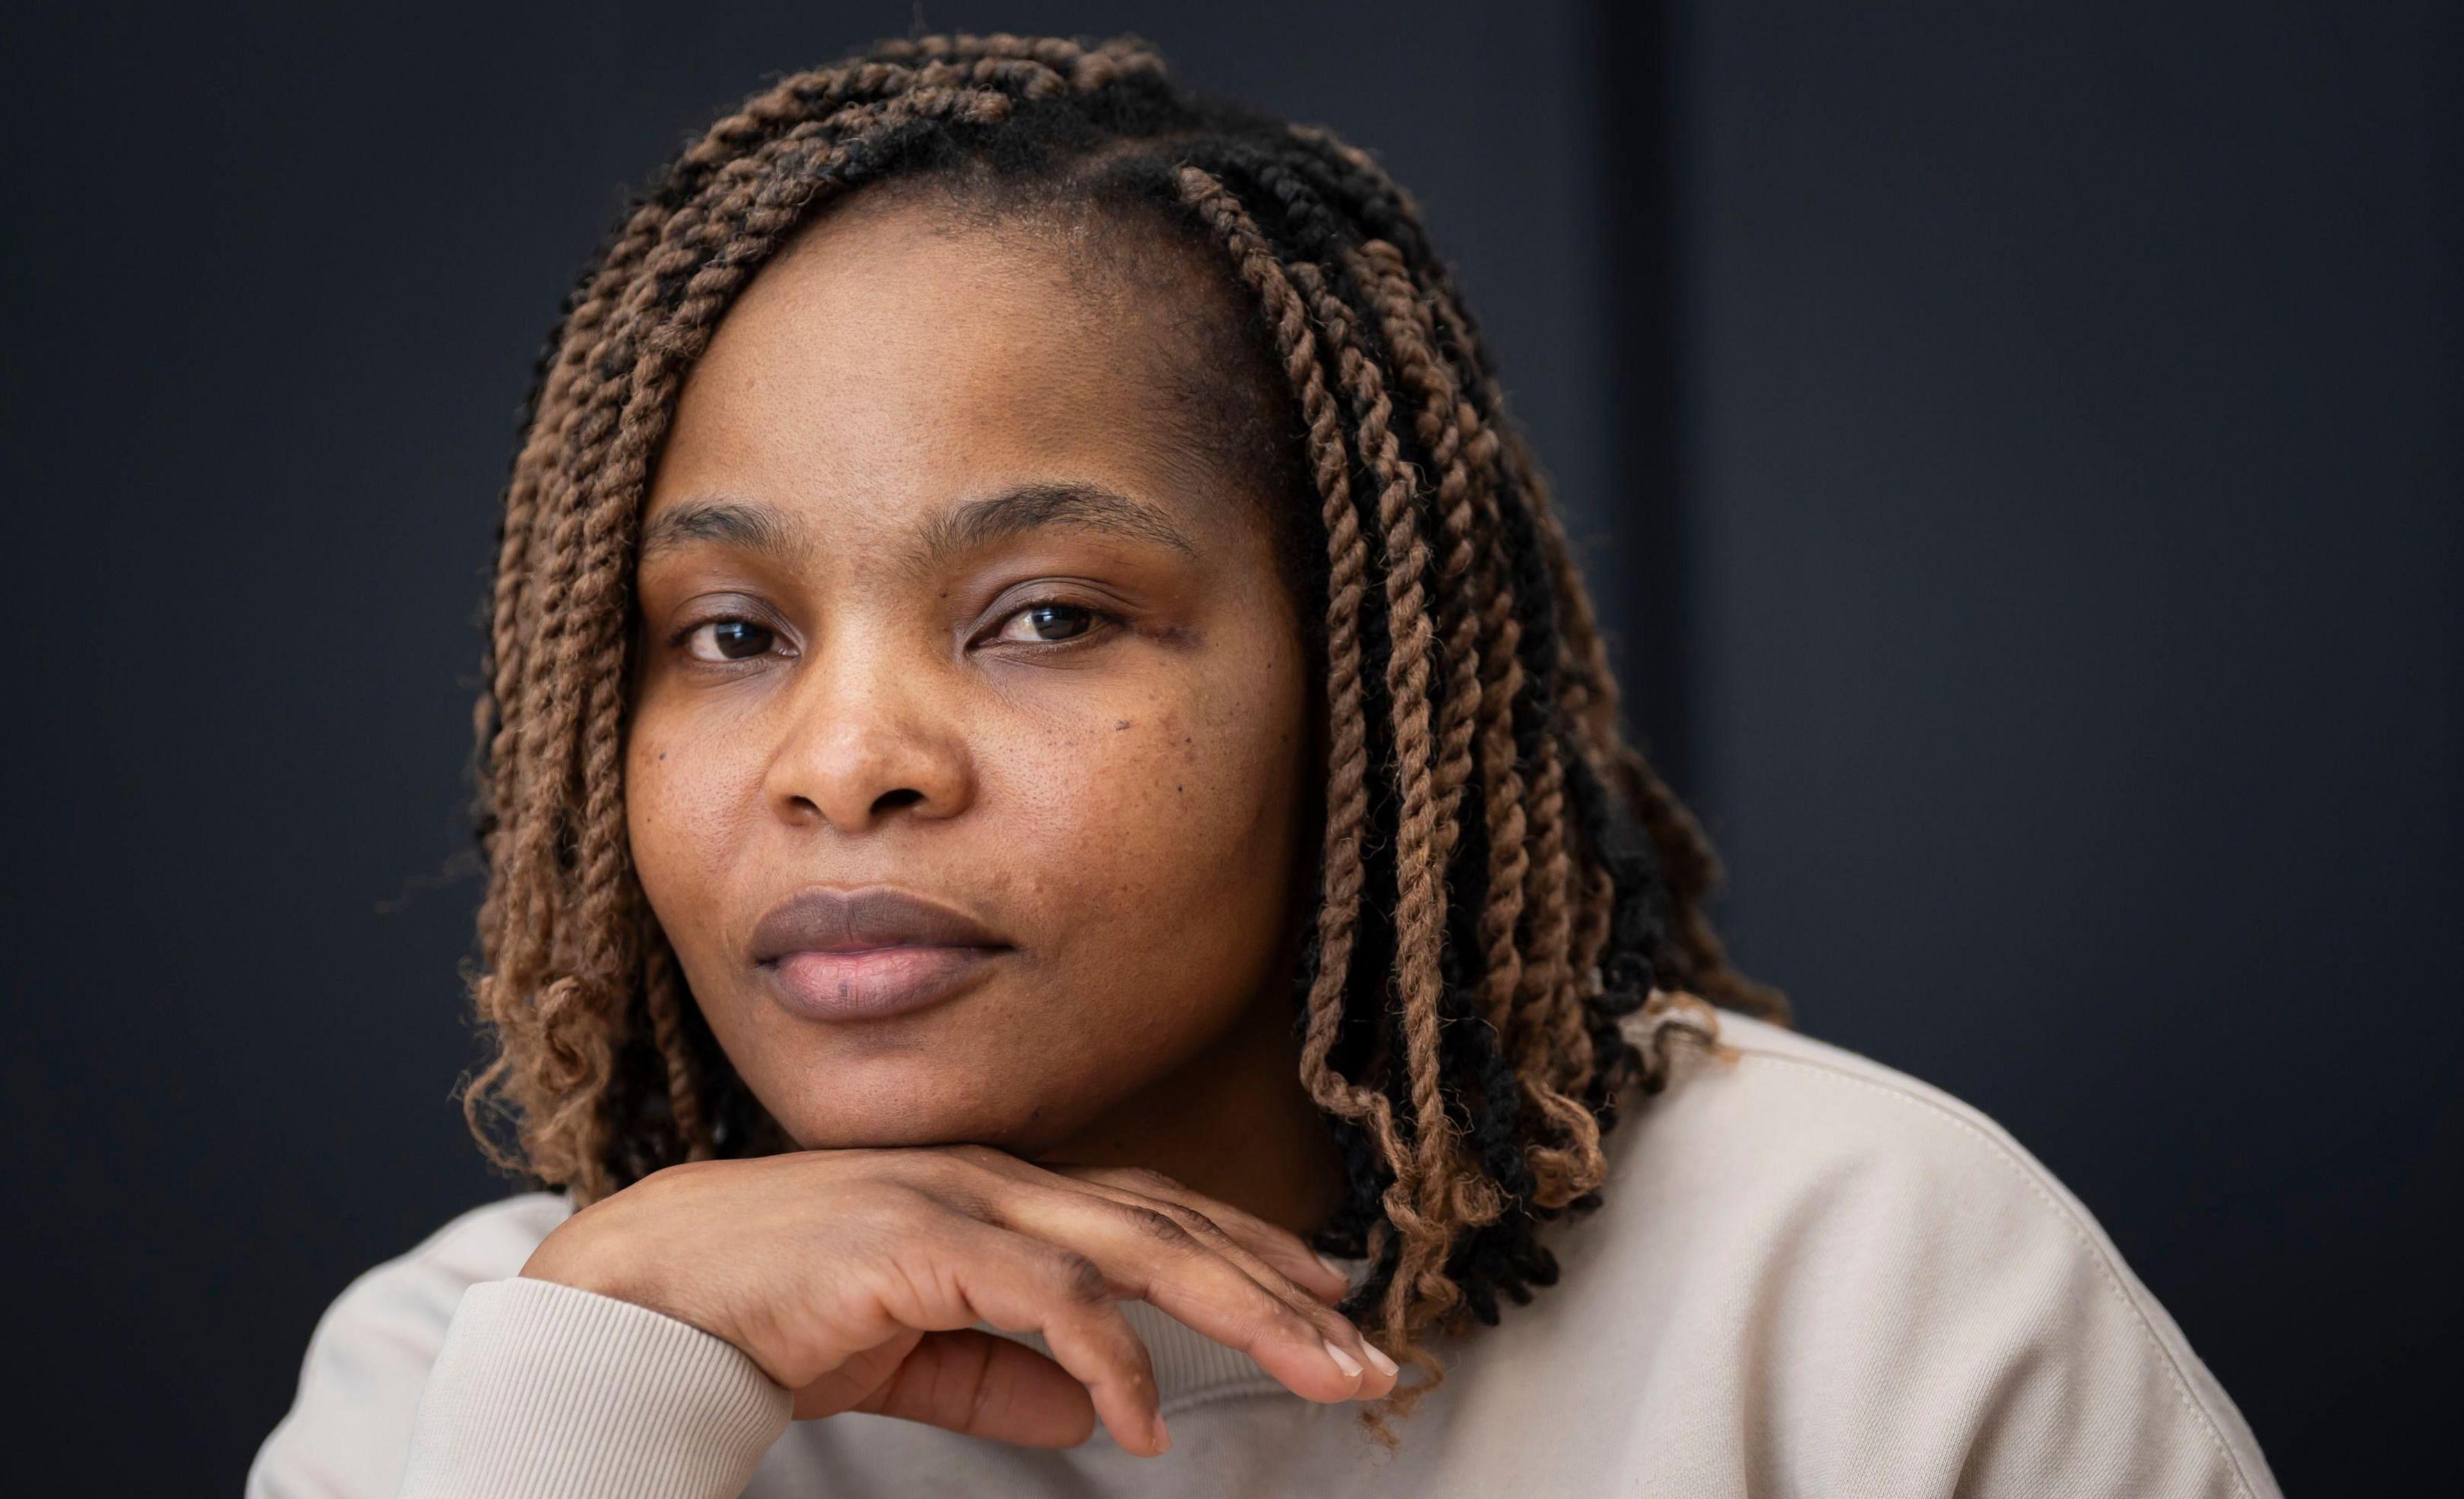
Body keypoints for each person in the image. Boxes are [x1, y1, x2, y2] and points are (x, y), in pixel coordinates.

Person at [247, 31, 2281, 1498]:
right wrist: (609, 1405)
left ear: (1367, 683)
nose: (844, 760)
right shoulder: (490, 1374)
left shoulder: (1859, 1284)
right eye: (730, 637)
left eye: (1047, 614)